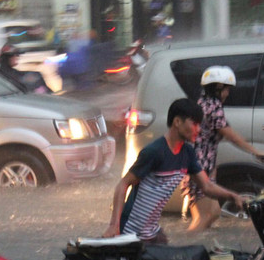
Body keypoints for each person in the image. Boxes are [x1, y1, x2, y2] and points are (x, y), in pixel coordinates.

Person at [103, 98, 244, 244]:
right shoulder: (154, 152)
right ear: (177, 122)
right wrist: (114, 226)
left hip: (152, 232)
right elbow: (123, 184)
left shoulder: (187, 153)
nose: (199, 129)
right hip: (130, 232)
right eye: (194, 124)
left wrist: (233, 196)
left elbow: (206, 186)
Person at [185, 65, 264, 232]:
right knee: (205, 215)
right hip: (198, 167)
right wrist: (255, 152)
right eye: (227, 90)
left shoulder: (205, 103)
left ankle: (195, 245)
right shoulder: (213, 107)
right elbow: (230, 135)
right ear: (218, 88)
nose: (228, 94)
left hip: (202, 166)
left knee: (213, 212)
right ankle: (183, 249)